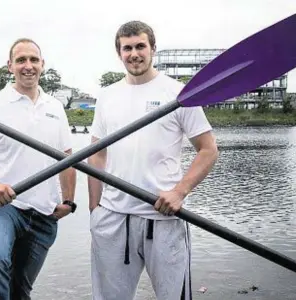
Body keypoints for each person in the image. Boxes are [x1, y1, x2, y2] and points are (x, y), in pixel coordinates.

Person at [87, 21, 219, 300]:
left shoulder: (179, 94)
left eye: (140, 46)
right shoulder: (107, 96)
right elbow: (97, 153)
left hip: (164, 216)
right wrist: (94, 209)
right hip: (113, 218)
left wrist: (180, 192)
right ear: (119, 53)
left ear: (153, 49)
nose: (134, 53)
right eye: (127, 48)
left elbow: (208, 149)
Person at [0, 37, 77, 300]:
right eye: (21, 60)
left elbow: (67, 160)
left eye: (34, 60)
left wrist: (69, 201)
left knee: (18, 290)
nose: (28, 66)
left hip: (44, 215)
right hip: (1, 209)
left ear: (43, 65)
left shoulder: (56, 108)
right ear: (10, 66)